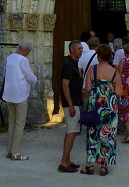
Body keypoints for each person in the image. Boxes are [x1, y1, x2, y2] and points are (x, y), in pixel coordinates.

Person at [81, 44, 122, 176]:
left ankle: (90, 164)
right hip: (109, 106)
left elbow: (88, 89)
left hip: (95, 104)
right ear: (109, 57)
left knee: (93, 133)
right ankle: (104, 165)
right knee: (108, 134)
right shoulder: (115, 72)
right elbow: (119, 92)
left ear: (98, 56)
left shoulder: (92, 69)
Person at [1, 39, 37, 161]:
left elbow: (4, 74)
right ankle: (15, 152)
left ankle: (9, 150)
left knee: (12, 123)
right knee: (19, 124)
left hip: (9, 94)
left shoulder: (9, 58)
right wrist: (35, 78)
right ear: (26, 50)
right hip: (20, 95)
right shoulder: (23, 60)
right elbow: (30, 77)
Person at [58, 40, 83, 174]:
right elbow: (65, 85)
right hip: (71, 103)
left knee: (72, 132)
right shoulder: (68, 64)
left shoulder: (73, 63)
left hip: (75, 102)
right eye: (79, 48)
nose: (81, 51)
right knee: (71, 132)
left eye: (81, 48)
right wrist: (71, 105)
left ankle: (67, 160)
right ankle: (63, 162)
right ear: (72, 50)